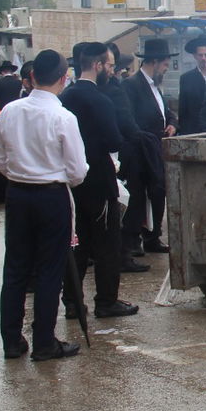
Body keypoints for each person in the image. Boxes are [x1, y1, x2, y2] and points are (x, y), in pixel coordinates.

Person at [0, 49, 88, 361]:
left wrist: (20, 173)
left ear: (31, 77)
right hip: (50, 196)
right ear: (64, 78)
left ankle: (11, 340)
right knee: (49, 269)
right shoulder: (63, 117)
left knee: (16, 267)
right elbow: (77, 171)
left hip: (18, 193)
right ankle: (44, 341)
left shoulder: (10, 111)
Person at [60, 42, 136, 321]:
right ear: (97, 65)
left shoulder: (65, 97)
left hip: (70, 181)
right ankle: (106, 300)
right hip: (98, 180)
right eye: (109, 65)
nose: (111, 71)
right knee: (106, 244)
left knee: (77, 242)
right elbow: (114, 140)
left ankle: (72, 301)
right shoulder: (100, 100)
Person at [122, 38, 177, 257]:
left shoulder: (156, 86)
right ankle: (134, 239)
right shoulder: (132, 85)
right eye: (165, 65)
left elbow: (166, 112)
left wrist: (172, 123)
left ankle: (153, 236)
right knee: (137, 196)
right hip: (139, 150)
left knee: (158, 192)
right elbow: (129, 120)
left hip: (156, 150)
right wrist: (145, 137)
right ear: (154, 62)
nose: (165, 69)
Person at [102, 43, 149, 274]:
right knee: (125, 205)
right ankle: (122, 254)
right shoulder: (114, 90)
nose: (113, 70)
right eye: (110, 66)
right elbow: (125, 123)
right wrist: (142, 138)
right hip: (119, 157)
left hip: (107, 159)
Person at [177, 36, 206, 135]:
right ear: (195, 56)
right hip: (193, 131)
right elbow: (183, 110)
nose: (203, 58)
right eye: (200, 55)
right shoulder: (186, 78)